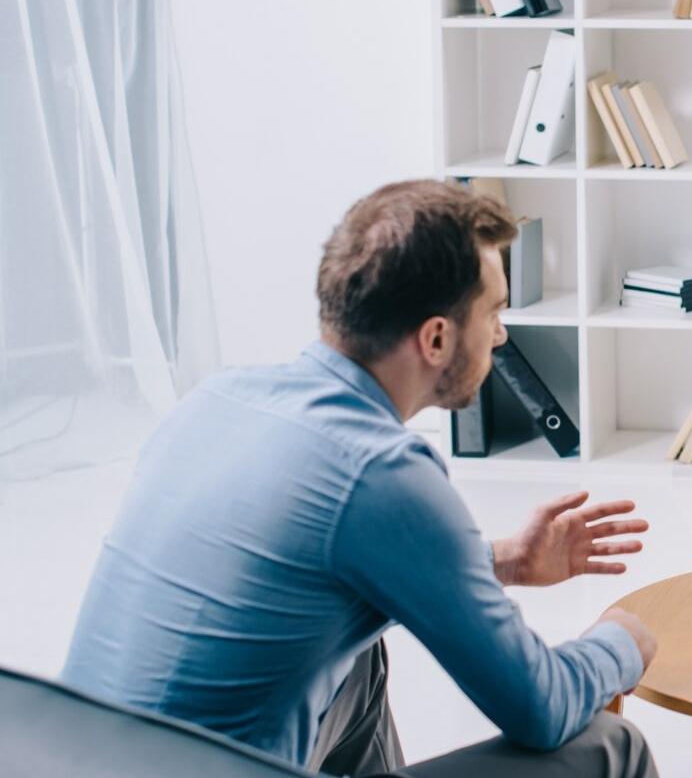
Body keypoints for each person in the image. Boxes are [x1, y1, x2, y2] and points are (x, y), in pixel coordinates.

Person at [61, 180, 659, 778]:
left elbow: (312, 554)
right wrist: (620, 642)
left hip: (75, 756)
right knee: (610, 745)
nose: (501, 335)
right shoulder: (381, 469)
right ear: (436, 338)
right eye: (495, 312)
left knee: (357, 649)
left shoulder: (216, 399)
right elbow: (540, 706)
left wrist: (504, 561)